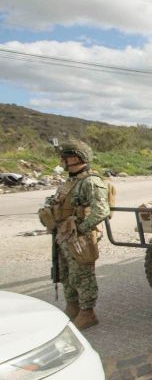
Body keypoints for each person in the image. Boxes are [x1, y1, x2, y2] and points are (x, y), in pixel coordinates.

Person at [38, 139, 110, 329]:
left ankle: (87, 313)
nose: (62, 161)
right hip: (63, 234)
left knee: (82, 275)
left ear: (77, 158)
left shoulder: (91, 181)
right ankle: (72, 307)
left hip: (78, 237)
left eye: (65, 157)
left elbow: (101, 211)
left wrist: (81, 229)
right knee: (65, 273)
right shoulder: (70, 181)